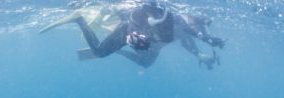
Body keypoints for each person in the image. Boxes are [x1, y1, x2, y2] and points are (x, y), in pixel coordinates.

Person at [43, 3, 225, 69]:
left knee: (145, 63)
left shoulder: (180, 23)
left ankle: (118, 51)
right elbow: (132, 27)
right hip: (129, 32)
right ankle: (80, 19)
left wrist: (208, 41)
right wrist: (132, 38)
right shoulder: (143, 12)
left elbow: (191, 37)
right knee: (99, 52)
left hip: (149, 45)